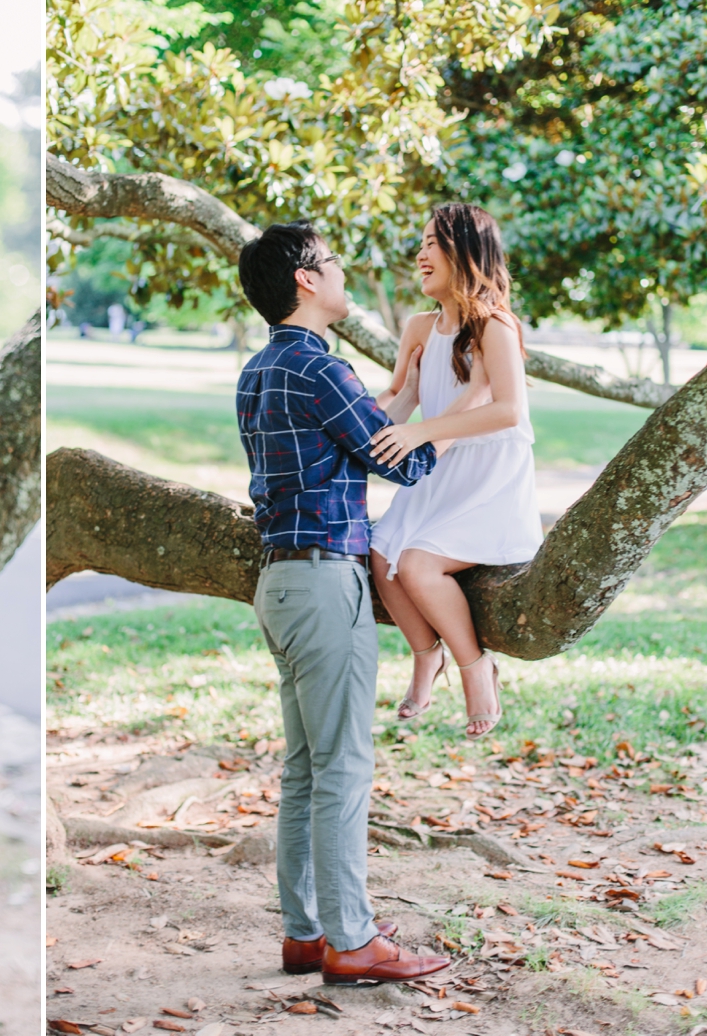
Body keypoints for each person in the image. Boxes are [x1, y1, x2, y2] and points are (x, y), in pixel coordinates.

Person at [236, 220, 451, 986]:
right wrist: (465, 411)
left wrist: (401, 389)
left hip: (281, 584)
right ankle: (351, 940)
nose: (341, 271)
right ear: (305, 279)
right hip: (327, 583)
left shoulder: (261, 370)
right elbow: (410, 463)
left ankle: (306, 933)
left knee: (305, 768)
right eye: (330, 262)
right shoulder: (323, 370)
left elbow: (351, 434)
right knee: (344, 768)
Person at [367, 204, 543, 740]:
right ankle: (425, 655)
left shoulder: (495, 326)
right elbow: (399, 395)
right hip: (439, 467)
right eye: (419, 244)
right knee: (379, 553)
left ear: (465, 253)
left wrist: (421, 432)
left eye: (431, 244)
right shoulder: (418, 326)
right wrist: (365, 428)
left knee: (417, 566)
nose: (419, 255)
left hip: (488, 475)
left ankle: (475, 668)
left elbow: (509, 409)